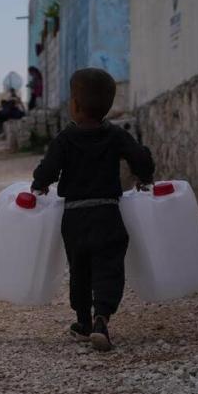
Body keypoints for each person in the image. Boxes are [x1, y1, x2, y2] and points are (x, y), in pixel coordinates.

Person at [31, 68, 154, 351]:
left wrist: (39, 185)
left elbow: (48, 168)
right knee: (109, 267)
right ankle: (102, 319)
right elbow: (140, 158)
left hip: (74, 217)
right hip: (107, 214)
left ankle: (83, 321)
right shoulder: (115, 135)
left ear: (74, 105)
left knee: (80, 270)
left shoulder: (65, 139)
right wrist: (144, 176)